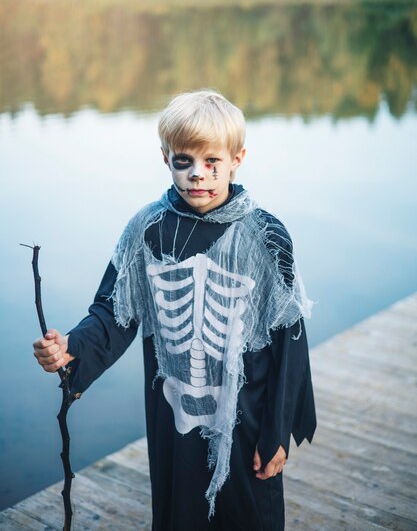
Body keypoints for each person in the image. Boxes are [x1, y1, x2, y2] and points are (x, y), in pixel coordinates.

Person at [33, 90, 316, 531]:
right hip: (174, 415)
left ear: (238, 158)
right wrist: (72, 349)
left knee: (250, 514)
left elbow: (290, 341)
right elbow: (113, 311)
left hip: (251, 414)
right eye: (184, 160)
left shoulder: (266, 234)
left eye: (212, 162)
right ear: (165, 158)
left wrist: (277, 431)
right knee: (178, 514)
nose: (197, 175)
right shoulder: (147, 229)